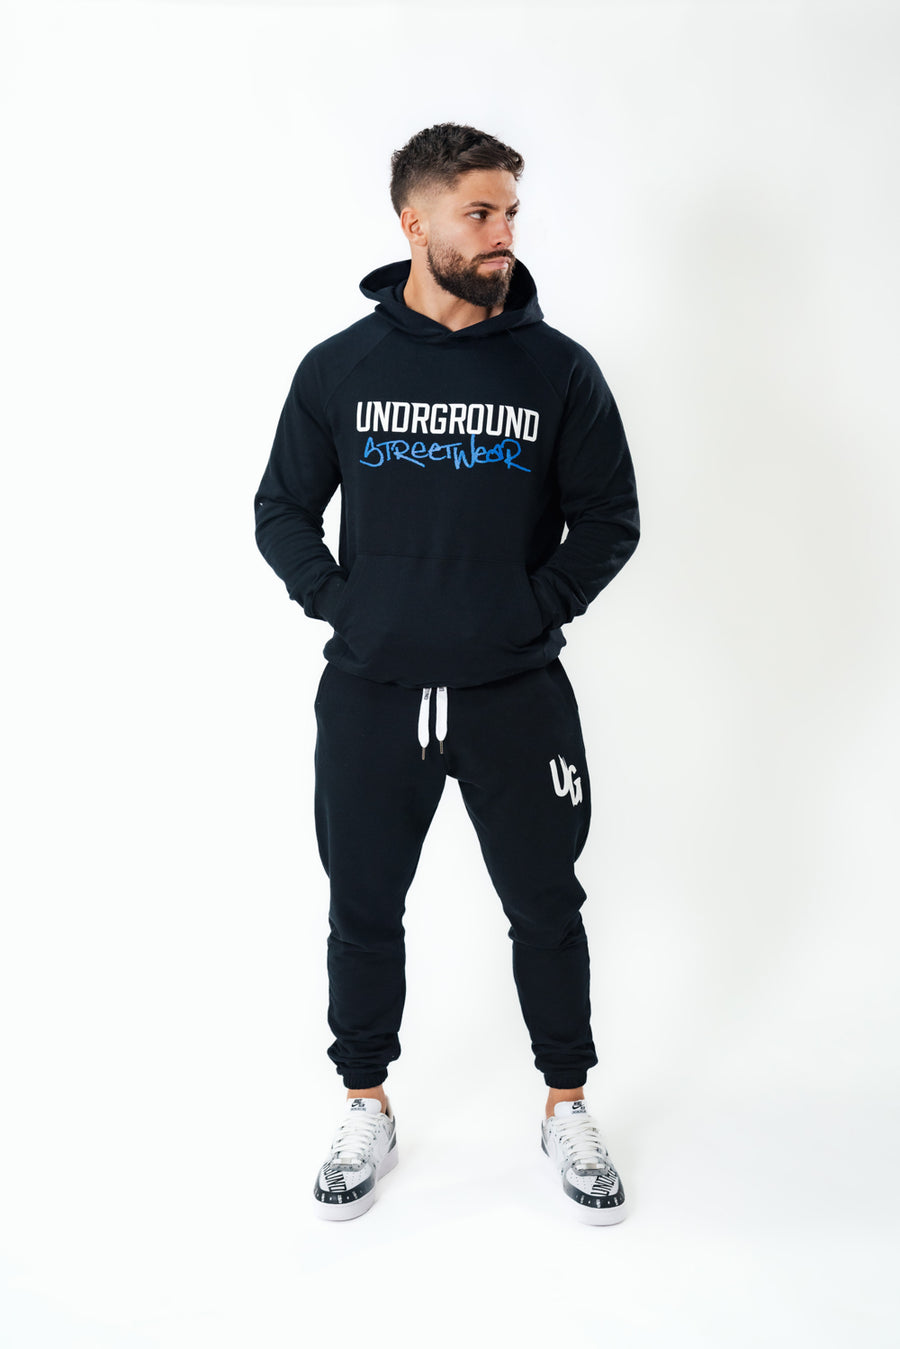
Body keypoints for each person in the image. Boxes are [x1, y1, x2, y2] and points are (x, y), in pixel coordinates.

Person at [254, 123, 640, 1225]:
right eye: (480, 213)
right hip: (371, 691)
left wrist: (529, 608)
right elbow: (281, 509)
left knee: (547, 903)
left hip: (515, 692)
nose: (503, 233)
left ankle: (566, 1102)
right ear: (413, 223)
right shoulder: (342, 368)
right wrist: (345, 603)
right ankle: (364, 1102)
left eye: (511, 211)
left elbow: (609, 520)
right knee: (363, 904)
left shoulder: (557, 371)